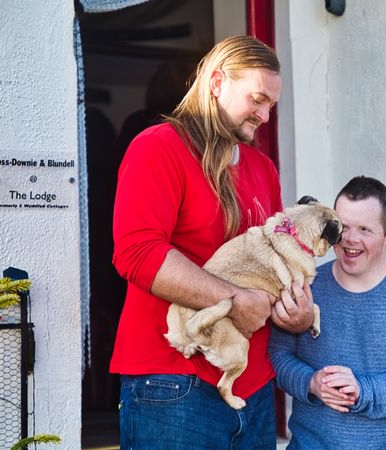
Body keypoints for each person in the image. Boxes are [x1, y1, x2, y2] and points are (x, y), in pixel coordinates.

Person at [110, 35, 315, 449]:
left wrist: (298, 312)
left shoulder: (263, 168)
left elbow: (275, 260)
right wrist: (234, 300)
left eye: (272, 106)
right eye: (257, 99)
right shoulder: (158, 148)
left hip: (252, 388)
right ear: (218, 82)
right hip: (173, 382)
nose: (265, 116)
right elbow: (137, 253)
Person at [269, 176, 386, 449]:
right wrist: (311, 383)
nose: (351, 239)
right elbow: (277, 356)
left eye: (365, 229)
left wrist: (362, 390)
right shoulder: (303, 287)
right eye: (344, 226)